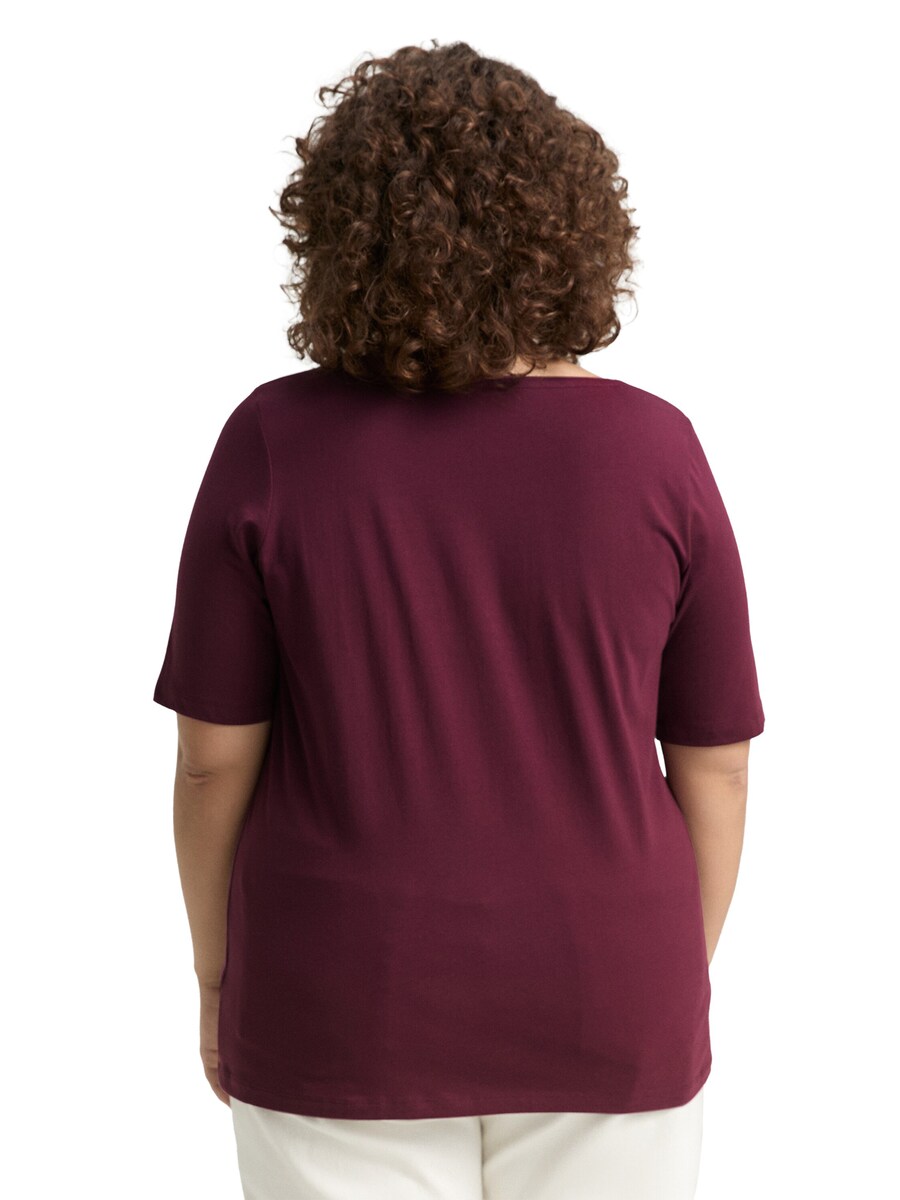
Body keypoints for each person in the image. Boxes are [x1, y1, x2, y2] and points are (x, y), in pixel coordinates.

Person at [153, 38, 764, 1200]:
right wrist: (659, 973)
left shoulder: (274, 439)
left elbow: (210, 761)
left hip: (337, 991)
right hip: (608, 984)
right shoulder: (656, 449)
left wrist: (218, 976)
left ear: (342, 238)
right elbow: (718, 765)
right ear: (571, 231)